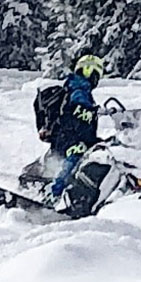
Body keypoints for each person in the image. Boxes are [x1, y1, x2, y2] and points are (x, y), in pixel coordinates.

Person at [34, 55, 108, 201]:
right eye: (95, 74)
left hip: (74, 136)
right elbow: (76, 107)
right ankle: (54, 194)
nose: (96, 79)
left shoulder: (82, 90)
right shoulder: (78, 87)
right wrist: (93, 110)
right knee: (75, 156)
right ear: (87, 71)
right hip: (69, 137)